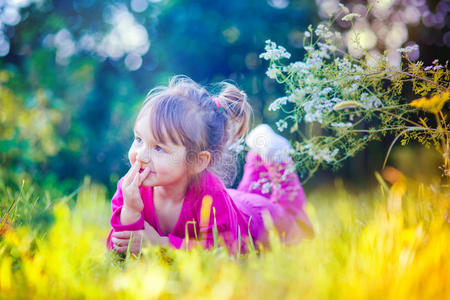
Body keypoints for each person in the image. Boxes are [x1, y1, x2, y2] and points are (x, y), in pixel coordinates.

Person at [106, 76, 313, 254]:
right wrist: (131, 211)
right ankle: (258, 158)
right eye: (139, 139)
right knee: (250, 190)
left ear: (197, 161)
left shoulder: (210, 194)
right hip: (235, 204)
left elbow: (228, 250)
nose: (141, 156)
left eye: (159, 148)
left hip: (255, 220)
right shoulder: (131, 188)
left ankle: (275, 156)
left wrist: (162, 244)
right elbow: (118, 247)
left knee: (292, 223)